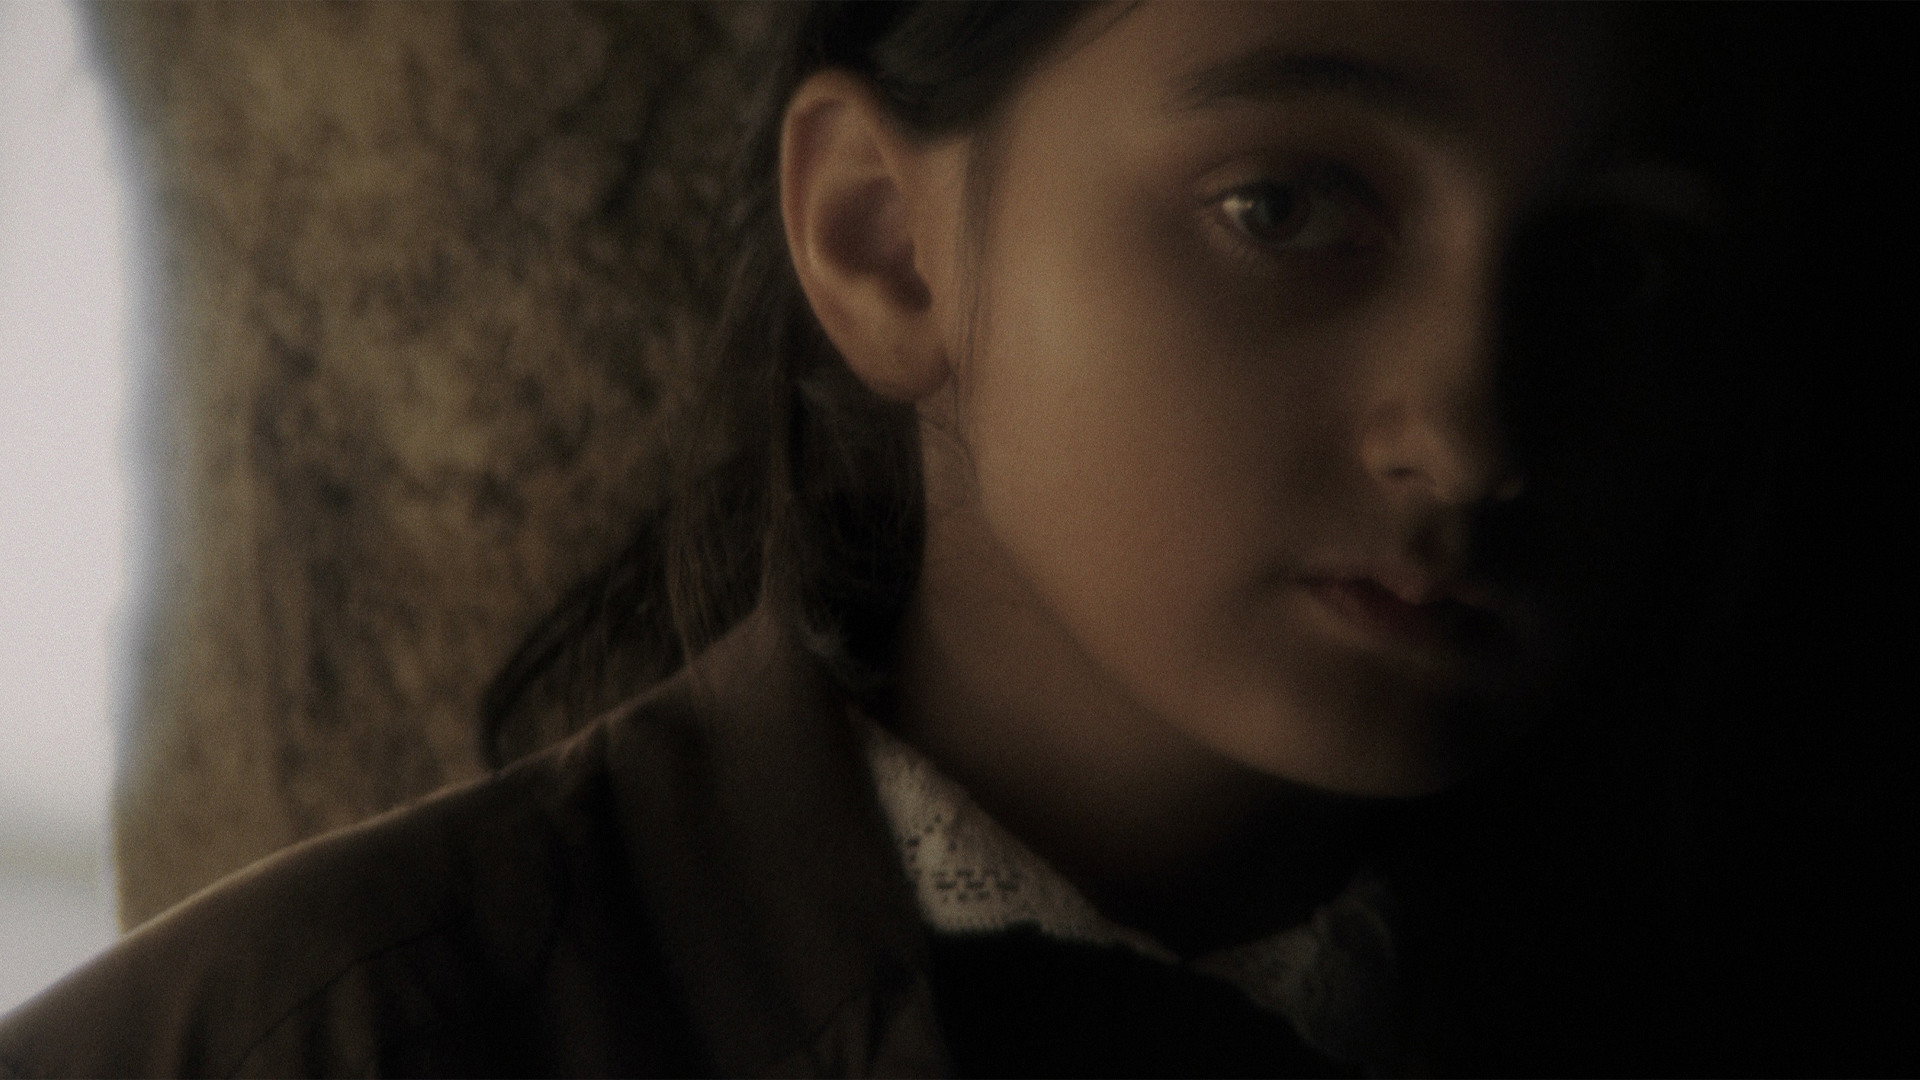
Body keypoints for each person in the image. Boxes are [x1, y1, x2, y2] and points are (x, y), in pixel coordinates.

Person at [0, 2, 1807, 1075]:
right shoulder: (305, 1046)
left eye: (1619, 262)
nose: (1473, 434)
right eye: (1282, 207)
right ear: (882, 240)